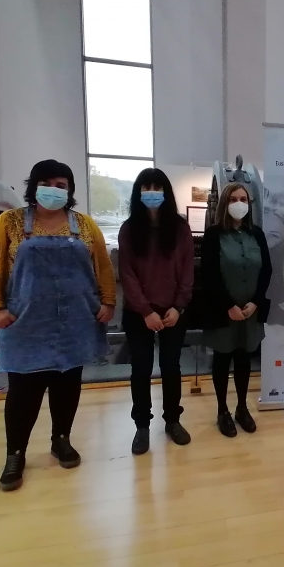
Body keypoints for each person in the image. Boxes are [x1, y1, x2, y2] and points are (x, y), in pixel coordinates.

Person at [0, 160, 116, 492]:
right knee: (23, 392)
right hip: (25, 323)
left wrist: (108, 302)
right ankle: (15, 454)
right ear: (34, 187)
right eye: (47, 183)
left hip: (76, 321)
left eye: (61, 185)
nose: (54, 190)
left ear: (70, 191)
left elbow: (103, 266)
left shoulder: (84, 225)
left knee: (67, 386)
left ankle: (61, 440)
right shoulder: (9, 222)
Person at [118, 168, 194, 453]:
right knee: (141, 368)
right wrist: (145, 311)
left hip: (173, 311)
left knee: (171, 367)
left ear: (166, 192)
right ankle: (142, 426)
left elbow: (187, 271)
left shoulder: (180, 228)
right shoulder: (129, 229)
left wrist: (178, 306)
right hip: (139, 314)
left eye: (157, 187)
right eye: (146, 187)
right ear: (138, 193)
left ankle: (172, 420)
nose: (152, 193)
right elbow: (126, 274)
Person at [201, 183, 272, 438]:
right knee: (222, 359)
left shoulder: (257, 234)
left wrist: (256, 302)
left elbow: (267, 271)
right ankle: (223, 411)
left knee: (244, 358)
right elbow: (209, 274)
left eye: (243, 199)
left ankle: (242, 407)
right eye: (233, 199)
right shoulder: (213, 235)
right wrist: (228, 306)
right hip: (224, 312)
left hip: (250, 312)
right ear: (224, 203)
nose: (239, 203)